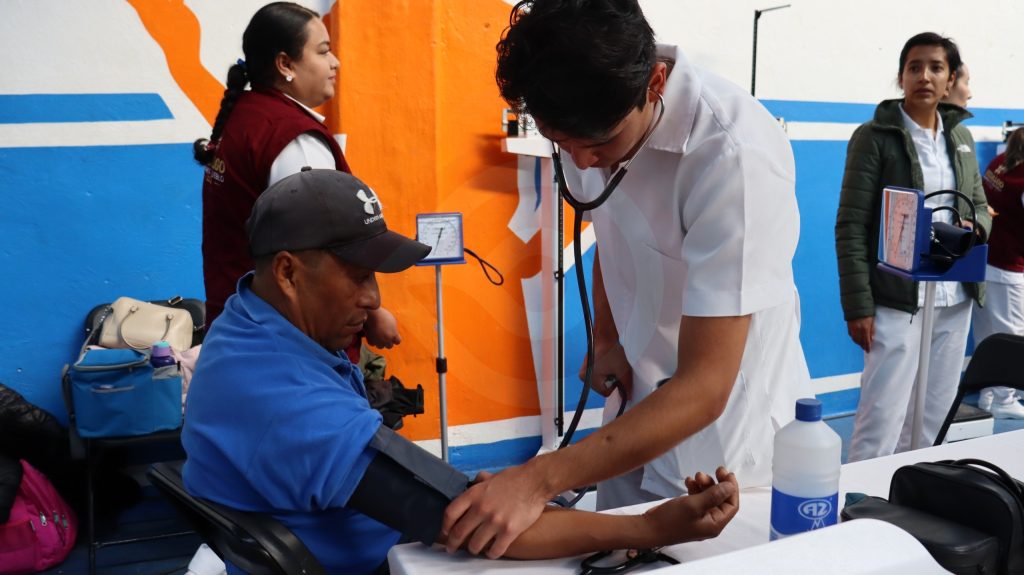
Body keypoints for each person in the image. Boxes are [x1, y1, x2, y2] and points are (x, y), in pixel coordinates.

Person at [181, 168, 740, 575]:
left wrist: (473, 489)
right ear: (287, 272)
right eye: (357, 276)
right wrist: (649, 528)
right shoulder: (294, 408)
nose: (373, 298)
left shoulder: (244, 324)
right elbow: (470, 523)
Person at [442, 0, 810, 558]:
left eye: (600, 144)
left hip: (723, 440)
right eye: (564, 144)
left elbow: (706, 386)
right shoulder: (590, 122)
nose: (583, 164)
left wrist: (537, 479)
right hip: (634, 406)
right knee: (613, 552)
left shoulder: (734, 157)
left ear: (655, 83)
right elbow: (615, 232)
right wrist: (606, 337)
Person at [193, 2, 399, 349]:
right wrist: (370, 314)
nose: (335, 62)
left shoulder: (247, 117)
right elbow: (320, 258)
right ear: (285, 64)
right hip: (287, 342)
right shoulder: (293, 140)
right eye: (323, 51)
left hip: (241, 327)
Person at [836, 33, 990, 462]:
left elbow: (980, 206)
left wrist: (974, 226)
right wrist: (858, 305)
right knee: (881, 420)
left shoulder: (961, 139)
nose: (925, 76)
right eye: (914, 67)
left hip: (953, 295)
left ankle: (918, 493)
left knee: (934, 420)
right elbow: (851, 224)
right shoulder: (875, 137)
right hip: (896, 299)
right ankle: (862, 498)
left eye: (936, 67)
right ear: (901, 76)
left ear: (951, 79)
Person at [971, 128, 1024, 418]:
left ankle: (987, 394)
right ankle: (1005, 400)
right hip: (1008, 268)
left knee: (987, 334)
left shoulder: (998, 164)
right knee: (1011, 335)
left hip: (985, 260)